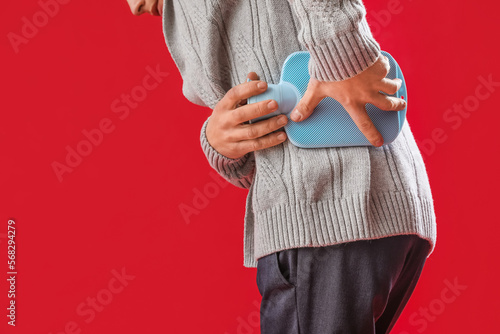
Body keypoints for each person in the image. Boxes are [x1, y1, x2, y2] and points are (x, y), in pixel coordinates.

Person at [126, 1, 437, 333]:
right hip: (367, 204)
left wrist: (345, 51)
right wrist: (220, 144)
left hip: (324, 212)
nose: (132, 9)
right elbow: (257, 159)